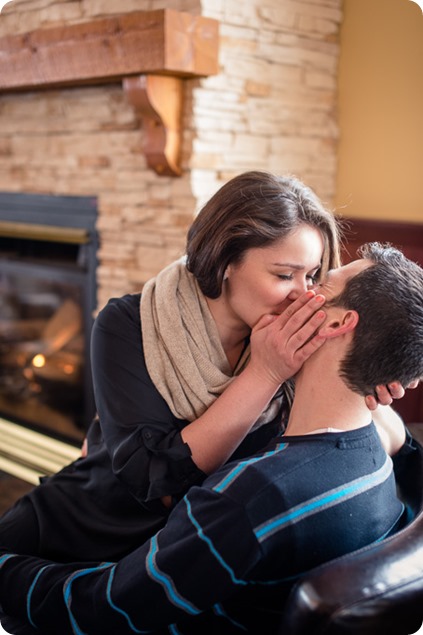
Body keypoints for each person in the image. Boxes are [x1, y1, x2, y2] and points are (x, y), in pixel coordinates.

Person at [0, 242, 421, 635]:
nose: (298, 294)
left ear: (338, 324)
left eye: (320, 284)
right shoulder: (378, 462)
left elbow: (106, 608)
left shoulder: (250, 496)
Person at [0, 172, 406, 564]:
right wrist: (264, 375)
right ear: (226, 260)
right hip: (77, 532)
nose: (304, 293)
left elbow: (396, 446)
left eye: (313, 275)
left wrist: (368, 384)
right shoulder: (128, 325)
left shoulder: (296, 334)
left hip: (175, 561)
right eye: (284, 275)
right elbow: (152, 483)